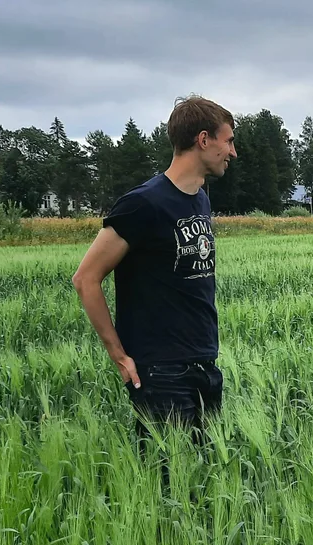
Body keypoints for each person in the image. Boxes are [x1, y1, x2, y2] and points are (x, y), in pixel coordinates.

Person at [72, 95, 236, 447]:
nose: (232, 152)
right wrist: (118, 355)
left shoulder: (200, 198)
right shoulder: (142, 203)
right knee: (167, 478)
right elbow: (85, 278)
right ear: (203, 140)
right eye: (228, 141)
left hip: (205, 362)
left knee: (206, 475)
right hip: (161, 371)